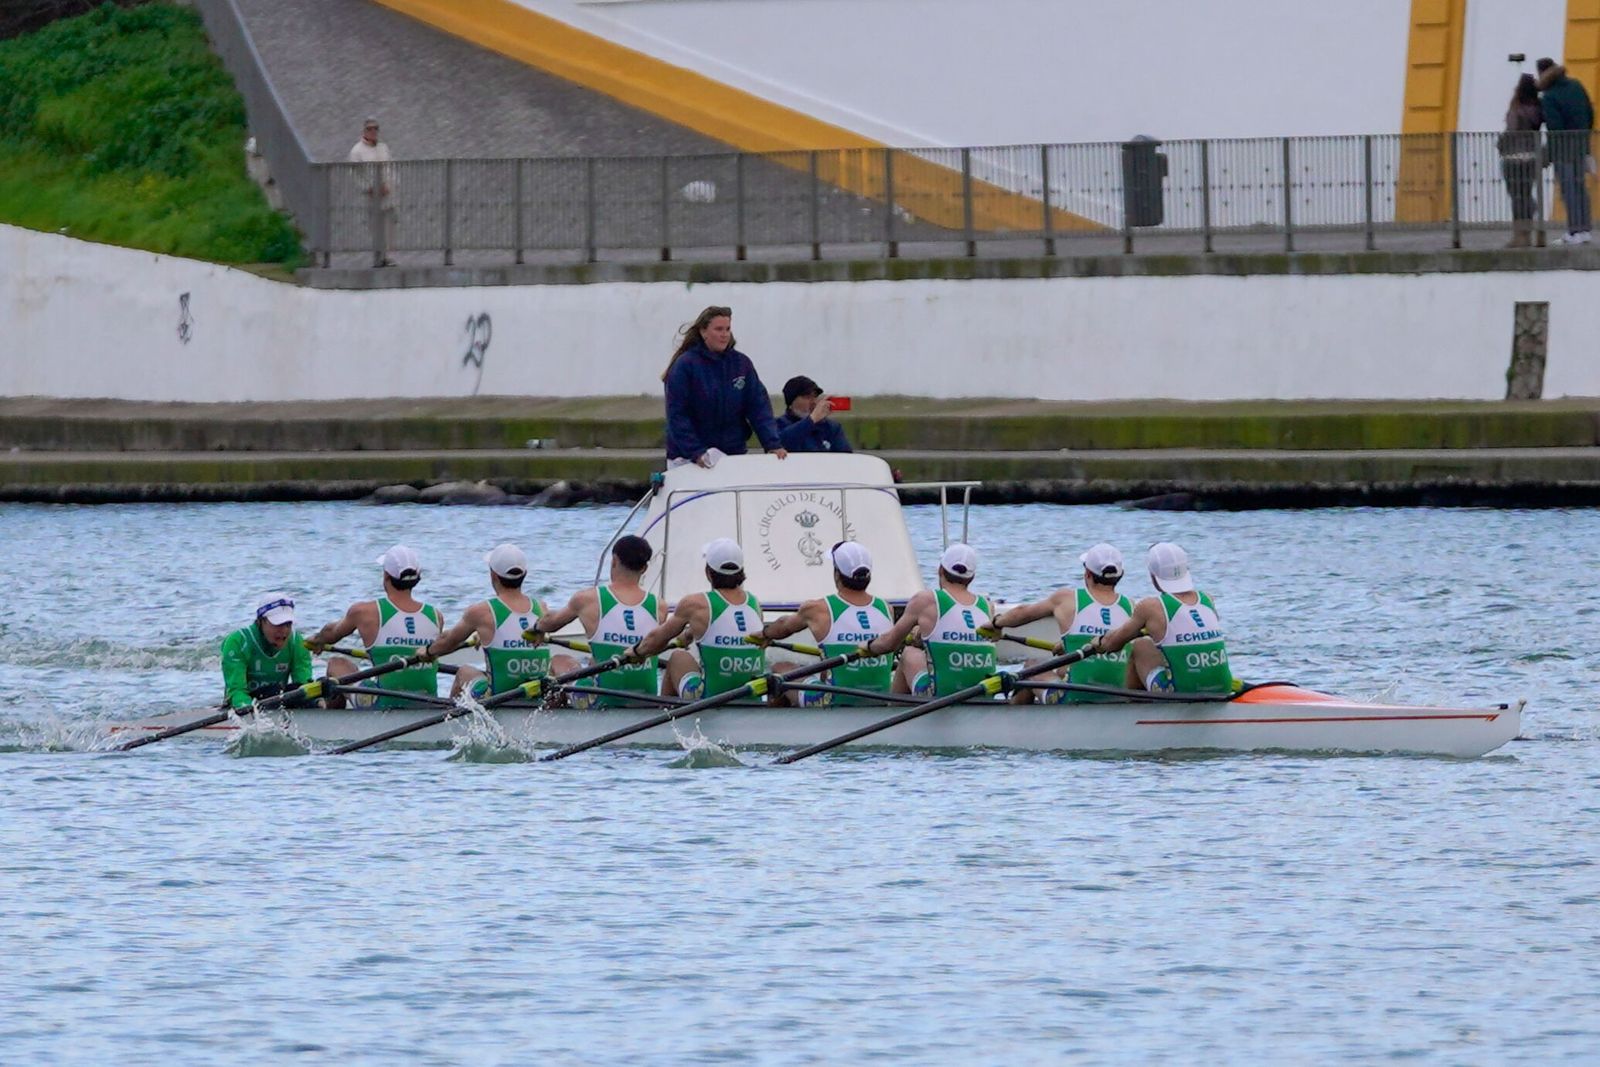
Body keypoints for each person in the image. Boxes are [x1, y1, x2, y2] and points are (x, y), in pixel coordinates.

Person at [988, 543, 1135, 703]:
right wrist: (1068, 645)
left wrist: (996, 624)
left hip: (1073, 698)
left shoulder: (1067, 599)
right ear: (1120, 576)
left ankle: (1012, 721)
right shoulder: (1132, 607)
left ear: (1087, 573)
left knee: (1031, 667)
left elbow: (1023, 613)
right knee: (1061, 671)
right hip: (1117, 698)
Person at [529, 534, 664, 707]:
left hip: (601, 699)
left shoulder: (589, 599)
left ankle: (553, 722)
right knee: (594, 661)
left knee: (559, 660)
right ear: (644, 568)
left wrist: (537, 628)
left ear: (614, 561)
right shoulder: (659, 606)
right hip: (647, 699)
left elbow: (552, 622)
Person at [626, 538, 764, 700]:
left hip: (709, 699)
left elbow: (656, 639)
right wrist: (690, 634)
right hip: (750, 697)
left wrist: (636, 652)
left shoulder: (695, 604)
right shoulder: (755, 604)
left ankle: (666, 715)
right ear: (741, 571)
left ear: (708, 572)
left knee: (678, 657)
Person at [1086, 543, 1233, 695]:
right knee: (1158, 647)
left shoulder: (1150, 607)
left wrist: (1099, 642)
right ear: (1186, 570)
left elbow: (1112, 644)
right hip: (1224, 687)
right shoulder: (1207, 599)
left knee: (1140, 646)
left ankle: (1134, 708)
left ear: (1153, 576)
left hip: (1180, 692)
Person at [758, 541, 893, 706]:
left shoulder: (817, 609)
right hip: (881, 701)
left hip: (832, 702)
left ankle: (779, 728)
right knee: (825, 663)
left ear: (837, 574)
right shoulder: (887, 609)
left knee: (781, 668)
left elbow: (783, 627)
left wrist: (764, 634)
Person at [306, 545, 442, 708]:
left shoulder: (364, 611)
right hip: (429, 704)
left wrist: (318, 639)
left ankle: (334, 725)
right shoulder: (436, 615)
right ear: (417, 577)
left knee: (337, 664)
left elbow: (332, 633)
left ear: (385, 576)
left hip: (382, 703)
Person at [662, 306, 788, 468]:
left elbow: (758, 407)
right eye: (718, 329)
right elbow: (677, 415)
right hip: (688, 459)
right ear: (703, 332)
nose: (724, 334)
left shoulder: (741, 364)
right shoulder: (685, 366)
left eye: (727, 329)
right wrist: (696, 452)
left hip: (731, 454)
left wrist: (772, 444)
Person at [867, 543, 997, 698]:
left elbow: (888, 644)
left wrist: (867, 646)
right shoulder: (987, 606)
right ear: (972, 577)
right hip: (981, 695)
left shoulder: (926, 600)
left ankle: (893, 711)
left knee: (909, 654)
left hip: (938, 698)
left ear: (940, 569)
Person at [424, 544, 550, 699]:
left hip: (497, 699)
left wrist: (427, 651)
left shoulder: (482, 612)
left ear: (493, 575)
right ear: (525, 574)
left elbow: (448, 643)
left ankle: (451, 721)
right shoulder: (542, 609)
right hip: (534, 697)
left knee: (464, 672)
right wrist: (482, 634)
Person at [219, 592, 315, 711]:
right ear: (261, 621)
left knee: (299, 691)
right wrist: (249, 713)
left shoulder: (296, 642)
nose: (284, 631)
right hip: (246, 701)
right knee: (275, 691)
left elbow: (304, 685)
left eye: (288, 624)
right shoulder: (237, 642)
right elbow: (236, 692)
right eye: (278, 624)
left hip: (278, 698)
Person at [1538, 59, 1594, 245]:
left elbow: (1554, 127)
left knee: (1569, 190)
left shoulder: (1549, 96)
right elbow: (1590, 112)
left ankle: (1574, 231)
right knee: (1580, 188)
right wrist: (1584, 136)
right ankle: (1585, 230)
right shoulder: (1577, 86)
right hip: (1581, 145)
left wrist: (1550, 153)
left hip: (1563, 150)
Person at [1500, 74, 1544, 248]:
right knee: (1525, 192)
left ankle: (1520, 235)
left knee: (1516, 195)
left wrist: (1501, 144)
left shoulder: (1517, 109)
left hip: (1513, 157)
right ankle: (1528, 232)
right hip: (1531, 156)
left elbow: (1511, 130)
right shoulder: (1538, 108)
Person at [348, 116, 397, 266]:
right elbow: (354, 173)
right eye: (370, 129)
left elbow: (391, 167)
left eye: (376, 128)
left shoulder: (383, 147)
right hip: (371, 195)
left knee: (390, 226)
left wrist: (391, 184)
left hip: (388, 193)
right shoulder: (357, 151)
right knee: (375, 226)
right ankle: (377, 256)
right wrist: (367, 188)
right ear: (364, 131)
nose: (373, 131)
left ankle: (388, 256)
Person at [777, 375, 853, 454]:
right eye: (807, 397)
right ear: (791, 401)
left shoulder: (832, 428)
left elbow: (845, 456)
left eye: (815, 397)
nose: (813, 402)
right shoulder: (778, 425)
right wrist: (811, 420)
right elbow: (779, 444)